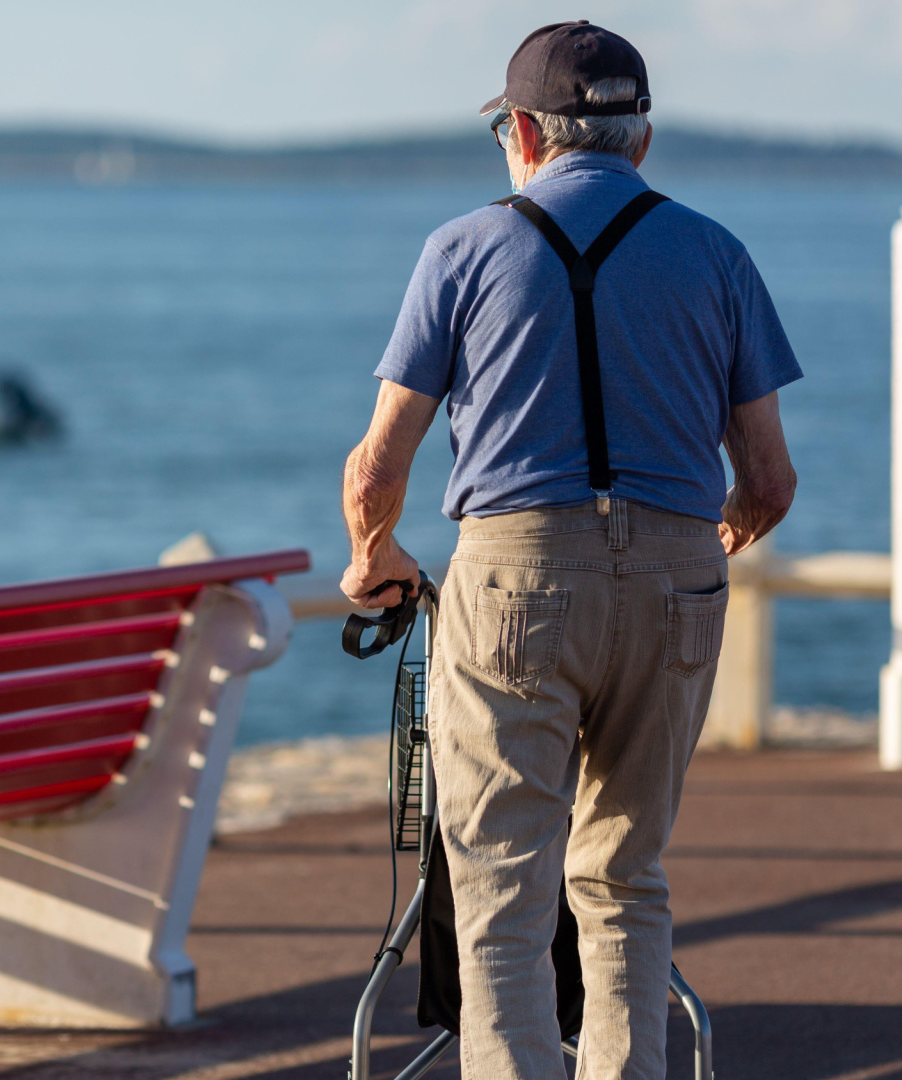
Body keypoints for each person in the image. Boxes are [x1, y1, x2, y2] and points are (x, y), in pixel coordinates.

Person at [339, 22, 798, 1080]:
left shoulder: (462, 248)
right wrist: (694, 542)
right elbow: (769, 483)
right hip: (677, 579)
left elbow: (377, 466)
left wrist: (373, 555)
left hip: (513, 577)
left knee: (503, 884)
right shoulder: (718, 253)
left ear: (528, 135)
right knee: (625, 876)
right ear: (639, 142)